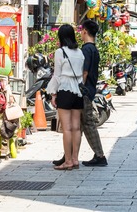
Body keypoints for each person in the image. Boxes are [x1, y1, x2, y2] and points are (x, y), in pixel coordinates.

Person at [54, 20, 107, 167]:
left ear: (84, 31)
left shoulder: (86, 50)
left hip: (81, 91)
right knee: (77, 126)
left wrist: (78, 88)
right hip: (88, 89)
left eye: (81, 31)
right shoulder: (93, 49)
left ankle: (99, 155)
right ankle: (69, 156)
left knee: (83, 124)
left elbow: (83, 73)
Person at [47, 24, 84, 170]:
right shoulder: (80, 52)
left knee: (67, 128)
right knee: (76, 128)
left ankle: (67, 161)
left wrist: (53, 93)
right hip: (78, 91)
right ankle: (75, 159)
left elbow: (57, 75)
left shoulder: (60, 52)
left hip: (65, 90)